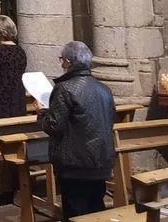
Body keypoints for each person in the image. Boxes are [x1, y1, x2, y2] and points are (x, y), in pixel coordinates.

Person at [38, 41, 115, 221]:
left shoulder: (64, 88)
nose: (61, 64)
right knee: (96, 210)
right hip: (100, 160)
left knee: (76, 212)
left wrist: (42, 113)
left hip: (75, 164)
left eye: (61, 60)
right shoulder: (104, 89)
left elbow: (54, 126)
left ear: (67, 62)